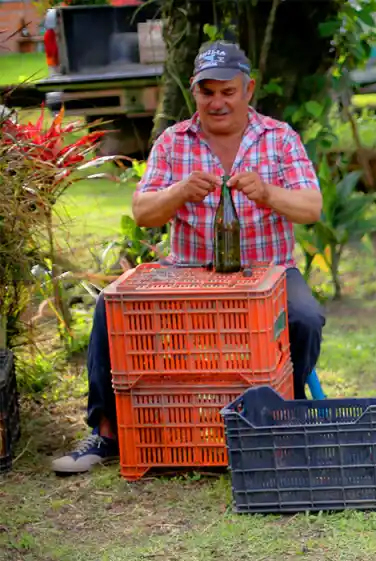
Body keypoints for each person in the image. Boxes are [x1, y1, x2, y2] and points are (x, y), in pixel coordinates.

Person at [50, 41, 325, 474]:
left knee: (305, 317)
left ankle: (283, 416)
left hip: (269, 272)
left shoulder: (279, 137)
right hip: (188, 272)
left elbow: (311, 207)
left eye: (227, 91)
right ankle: (108, 433)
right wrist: (179, 191)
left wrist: (267, 193)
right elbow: (143, 213)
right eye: (207, 92)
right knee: (111, 306)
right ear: (194, 91)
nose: (217, 102)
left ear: (248, 89)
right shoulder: (174, 140)